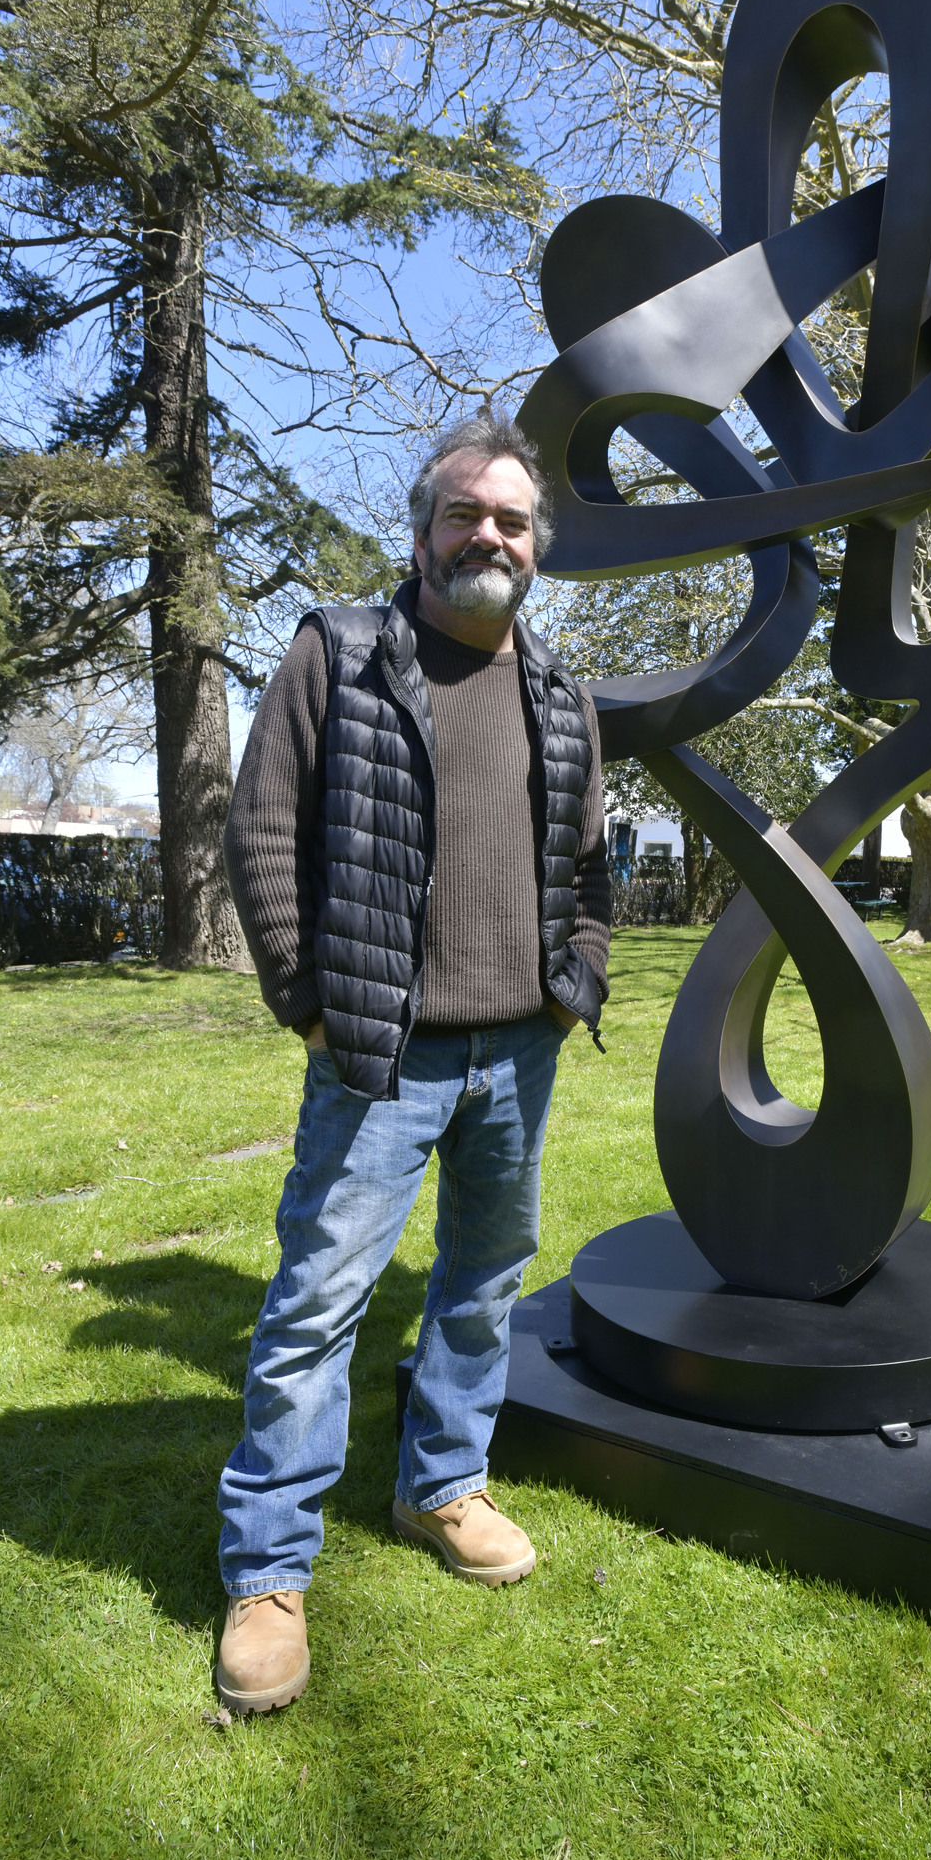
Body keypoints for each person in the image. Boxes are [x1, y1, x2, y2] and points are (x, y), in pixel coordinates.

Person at [213, 412, 609, 1714]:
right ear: (422, 527)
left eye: (510, 518)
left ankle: (441, 1483)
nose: (487, 533)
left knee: (486, 1280)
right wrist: (308, 1002)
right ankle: (268, 1570)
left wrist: (576, 986)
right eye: (464, 512)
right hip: (379, 1052)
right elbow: (263, 826)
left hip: (520, 1052)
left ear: (535, 545)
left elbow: (591, 863)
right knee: (318, 1301)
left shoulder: (559, 692)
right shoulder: (342, 650)